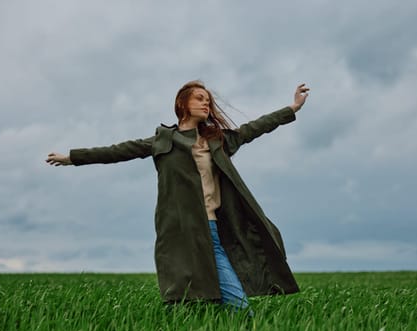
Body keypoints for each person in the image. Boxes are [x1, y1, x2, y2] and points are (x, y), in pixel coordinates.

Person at [46, 81, 310, 312]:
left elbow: (254, 128)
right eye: (200, 99)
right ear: (182, 104)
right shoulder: (163, 141)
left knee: (236, 306)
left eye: (208, 101)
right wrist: (72, 157)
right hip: (182, 231)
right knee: (186, 299)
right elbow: (117, 151)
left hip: (214, 228)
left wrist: (292, 108)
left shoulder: (217, 140)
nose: (206, 104)